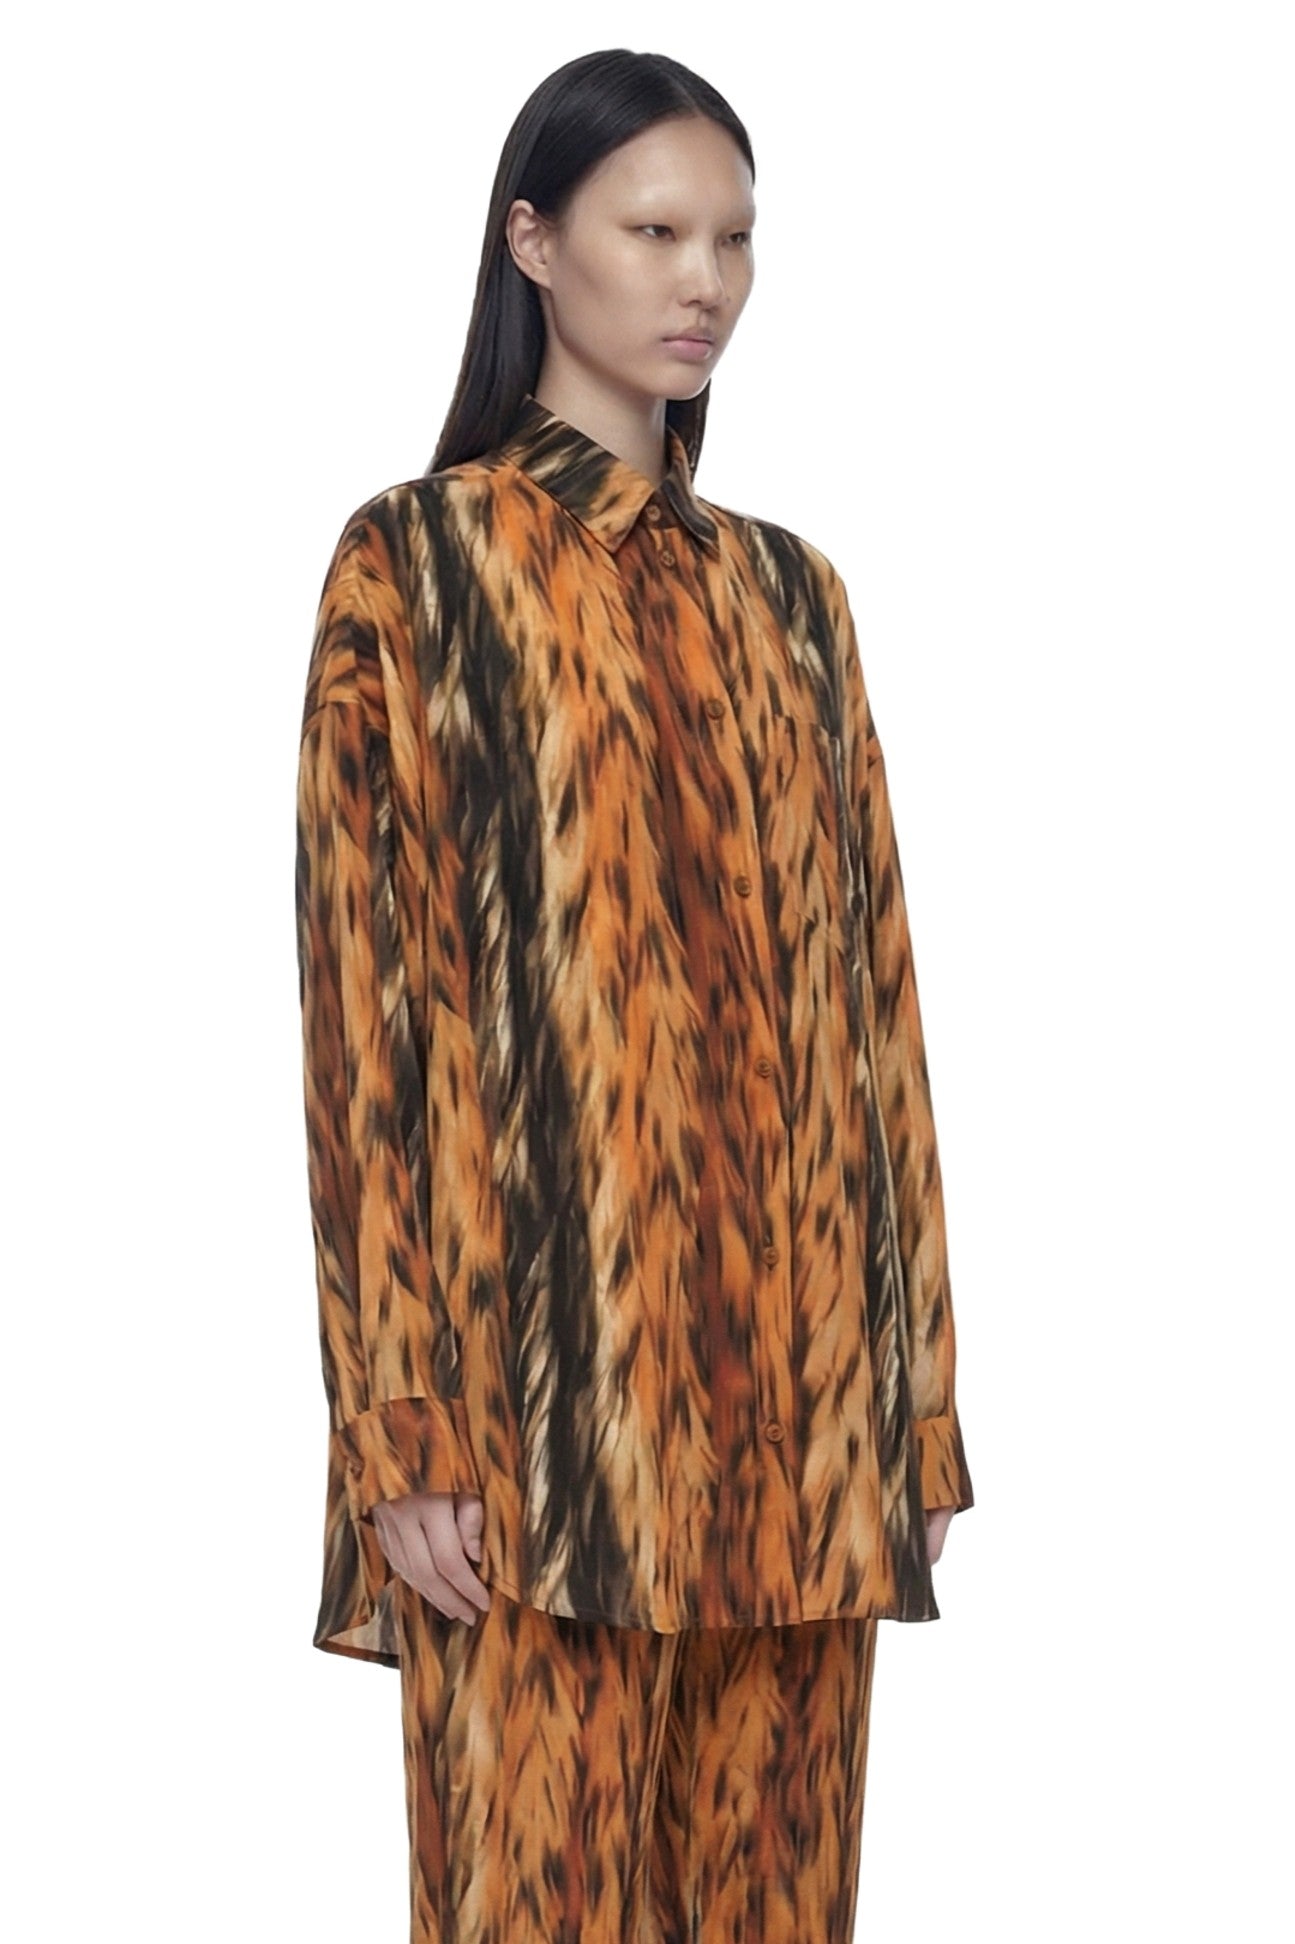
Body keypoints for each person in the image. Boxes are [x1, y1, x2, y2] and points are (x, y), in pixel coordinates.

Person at [294, 45, 975, 1944]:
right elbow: (369, 1032)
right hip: (538, 1431)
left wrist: (913, 1406)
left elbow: (878, 1012)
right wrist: (400, 1425)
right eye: (656, 231)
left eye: (734, 240)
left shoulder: (795, 597)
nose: (705, 282)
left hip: (803, 1428)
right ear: (533, 242)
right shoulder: (418, 566)